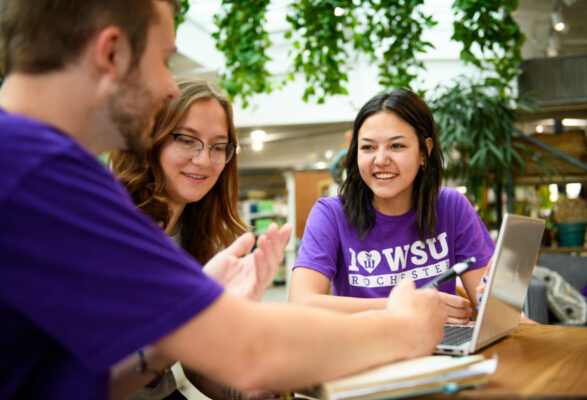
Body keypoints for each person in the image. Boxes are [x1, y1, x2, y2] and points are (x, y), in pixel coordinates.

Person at [0, 1, 447, 399]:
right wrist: (404, 328)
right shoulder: (38, 168)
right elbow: (250, 349)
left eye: (218, 146)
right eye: (163, 59)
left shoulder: (28, 161)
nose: (170, 88)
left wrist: (189, 315)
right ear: (111, 52)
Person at [109, 78, 275, 399]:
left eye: (218, 147)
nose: (203, 159)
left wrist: (242, 392)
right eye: (187, 140)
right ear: (151, 138)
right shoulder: (114, 225)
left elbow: (195, 361)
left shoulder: (201, 236)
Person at [289, 88, 495, 324]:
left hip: (440, 351)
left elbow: (489, 304)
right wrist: (407, 306)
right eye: (368, 147)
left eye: (396, 146)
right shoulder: (331, 214)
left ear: (424, 152)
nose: (380, 160)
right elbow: (301, 303)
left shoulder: (451, 206)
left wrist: (500, 295)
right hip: (364, 351)